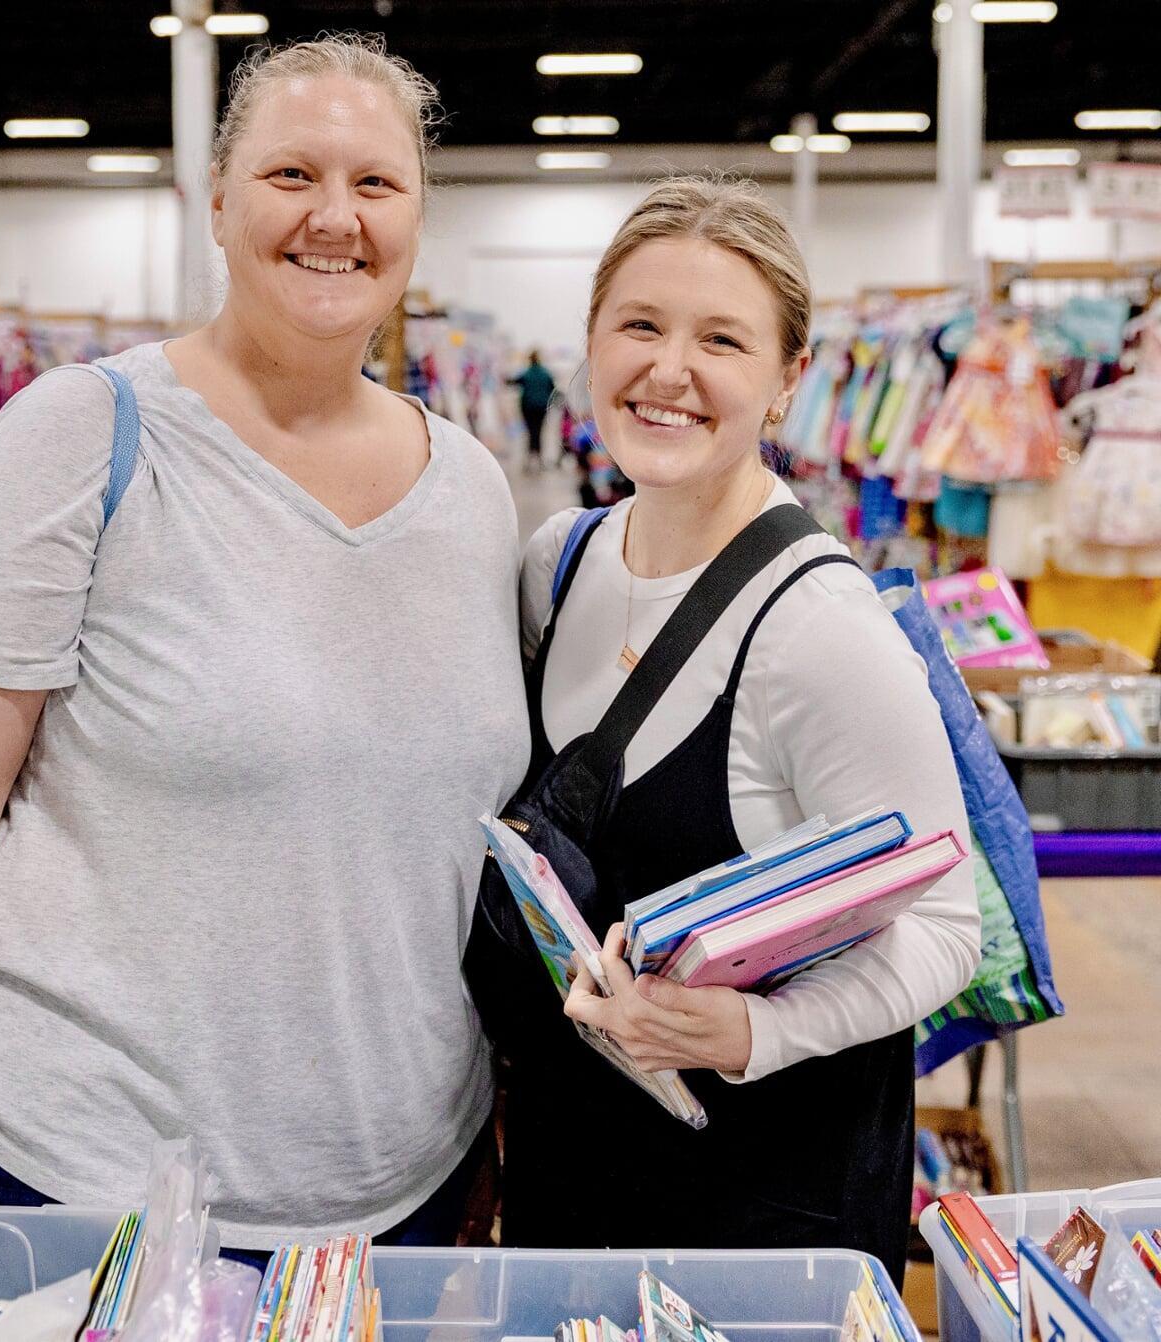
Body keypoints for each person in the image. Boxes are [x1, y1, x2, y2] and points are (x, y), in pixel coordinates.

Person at [0, 35, 530, 1302]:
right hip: (79, 1186)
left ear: (418, 216)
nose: (335, 219)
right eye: (292, 173)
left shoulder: (469, 486)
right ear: (223, 202)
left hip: (392, 1196)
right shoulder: (83, 435)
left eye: (377, 184)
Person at [491, 176, 981, 1278]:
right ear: (589, 343)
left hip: (765, 1209)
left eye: (721, 338)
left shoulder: (818, 627)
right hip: (573, 1177)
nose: (669, 371)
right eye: (640, 325)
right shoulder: (556, 564)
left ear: (786, 381)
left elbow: (949, 928)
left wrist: (756, 1033)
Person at [511, 350, 557, 468]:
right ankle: (540, 458)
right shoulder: (545, 373)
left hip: (528, 408)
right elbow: (553, 388)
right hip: (542, 407)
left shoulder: (527, 373)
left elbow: (514, 382)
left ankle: (530, 459)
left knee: (531, 432)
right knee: (539, 431)